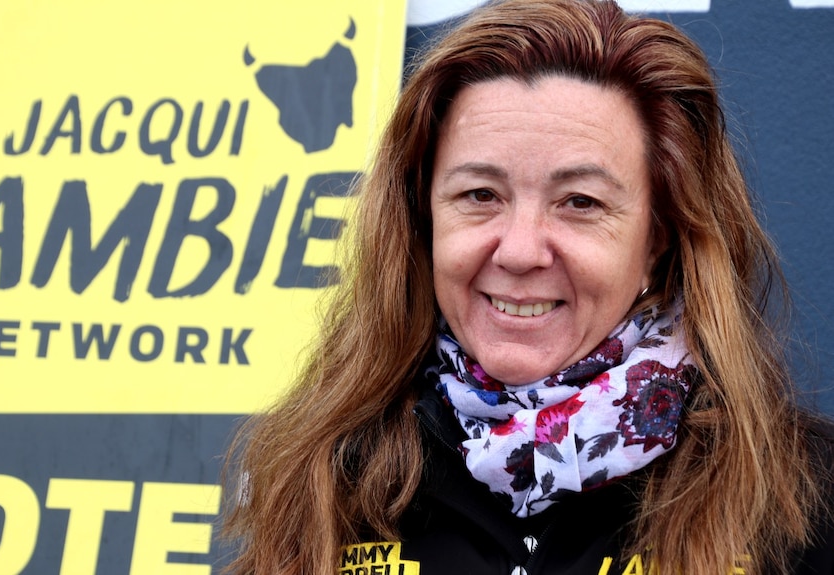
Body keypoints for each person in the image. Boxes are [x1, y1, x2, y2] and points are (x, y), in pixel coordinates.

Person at [221, 1, 834, 573]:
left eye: (580, 202)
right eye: (480, 195)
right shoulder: (322, 480)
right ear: (423, 219)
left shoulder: (801, 493)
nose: (518, 251)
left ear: (658, 238)